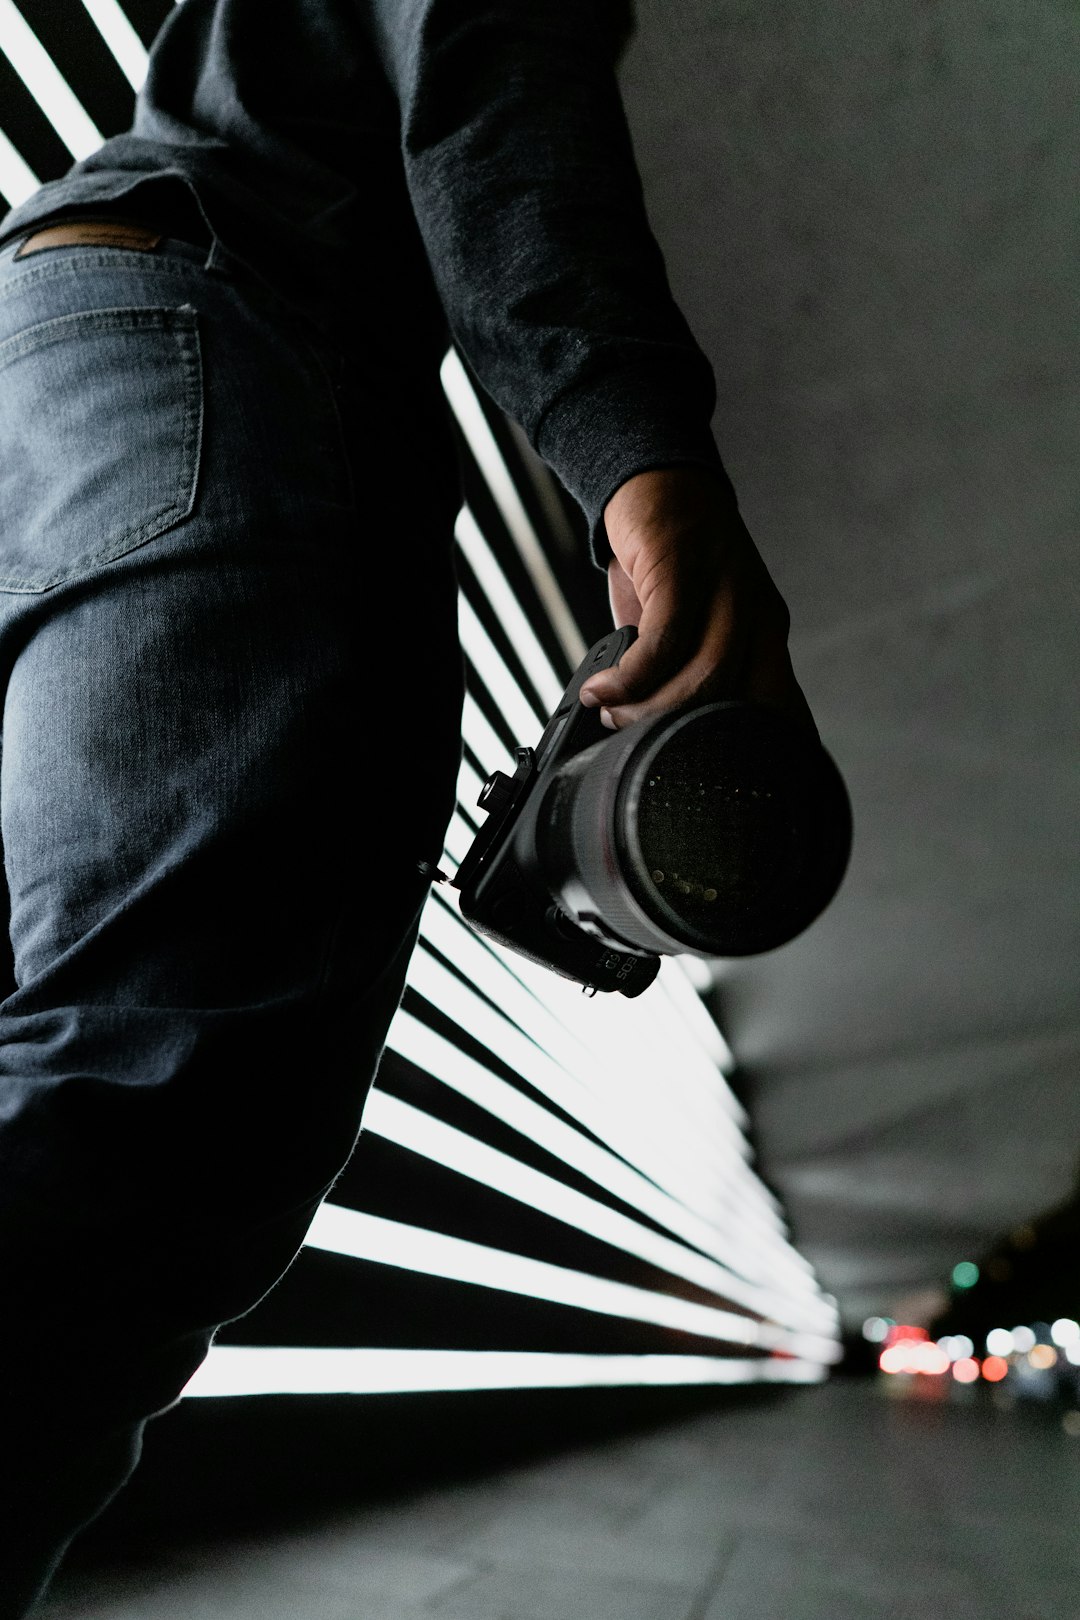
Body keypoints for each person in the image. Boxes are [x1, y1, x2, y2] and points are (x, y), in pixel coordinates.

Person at [0, 0, 812, 1610]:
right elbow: (497, 79)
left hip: (61, 364)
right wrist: (653, 473)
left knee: (68, 1086)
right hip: (218, 347)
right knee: (151, 1116)